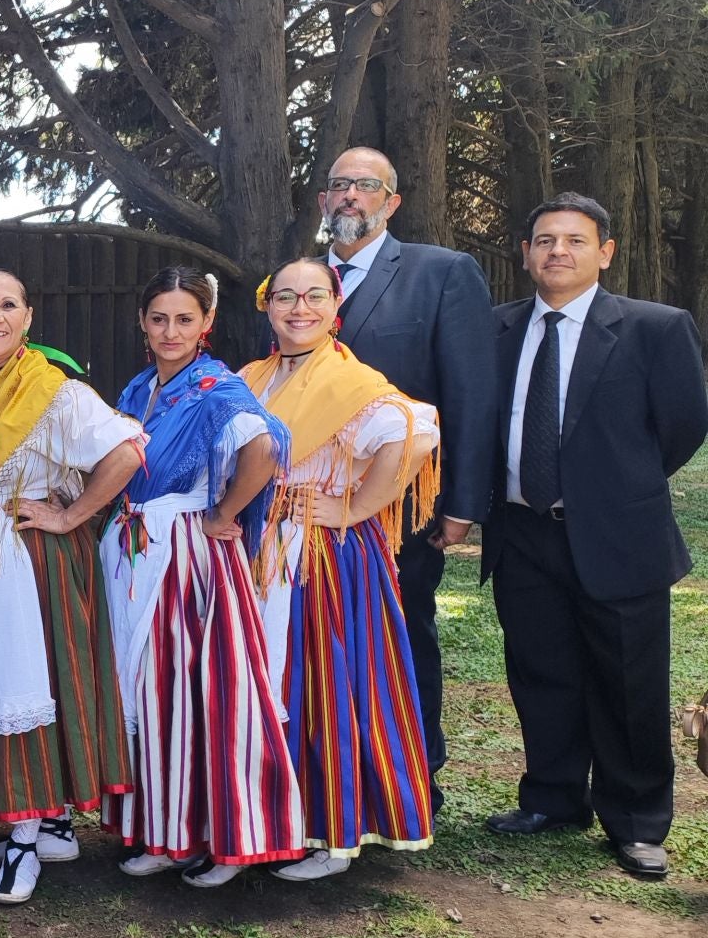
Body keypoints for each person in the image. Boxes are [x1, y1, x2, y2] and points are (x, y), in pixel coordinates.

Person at [481, 193, 708, 877]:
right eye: (544, 240)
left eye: (575, 241)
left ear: (605, 252)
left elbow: (683, 425)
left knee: (629, 684)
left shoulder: (655, 329)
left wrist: (611, 489)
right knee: (541, 673)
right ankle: (552, 798)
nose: (558, 252)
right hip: (522, 533)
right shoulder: (496, 329)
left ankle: (636, 821)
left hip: (617, 534)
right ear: (525, 254)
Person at [0, 268, 145, 905]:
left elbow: (128, 452)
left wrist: (71, 515)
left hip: (33, 560)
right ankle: (46, 823)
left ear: (28, 319)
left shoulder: (56, 392)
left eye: (8, 306)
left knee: (35, 684)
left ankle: (29, 833)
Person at [98, 266, 304, 888]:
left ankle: (220, 837)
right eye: (159, 318)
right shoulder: (141, 388)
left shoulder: (215, 388)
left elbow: (264, 448)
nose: (170, 330)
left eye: (185, 319)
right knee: (155, 694)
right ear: (142, 321)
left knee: (201, 696)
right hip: (142, 545)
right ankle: (166, 831)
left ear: (206, 324)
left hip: (188, 558)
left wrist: (222, 514)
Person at [242, 258, 440, 882]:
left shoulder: (351, 381)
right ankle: (270, 817)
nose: (299, 308)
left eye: (314, 297)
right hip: (258, 548)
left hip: (322, 557)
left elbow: (411, 434)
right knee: (264, 682)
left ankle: (333, 830)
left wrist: (355, 506)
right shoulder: (252, 376)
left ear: (335, 308)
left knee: (323, 681)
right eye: (285, 297)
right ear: (267, 306)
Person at [316, 148, 497, 794]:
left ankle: (417, 773)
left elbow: (472, 393)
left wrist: (464, 501)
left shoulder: (441, 274)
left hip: (403, 501)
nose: (349, 197)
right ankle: (336, 770)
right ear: (322, 202)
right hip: (310, 506)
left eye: (366, 186)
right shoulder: (298, 282)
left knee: (400, 627)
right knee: (326, 638)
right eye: (338, 186)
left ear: (392, 202)